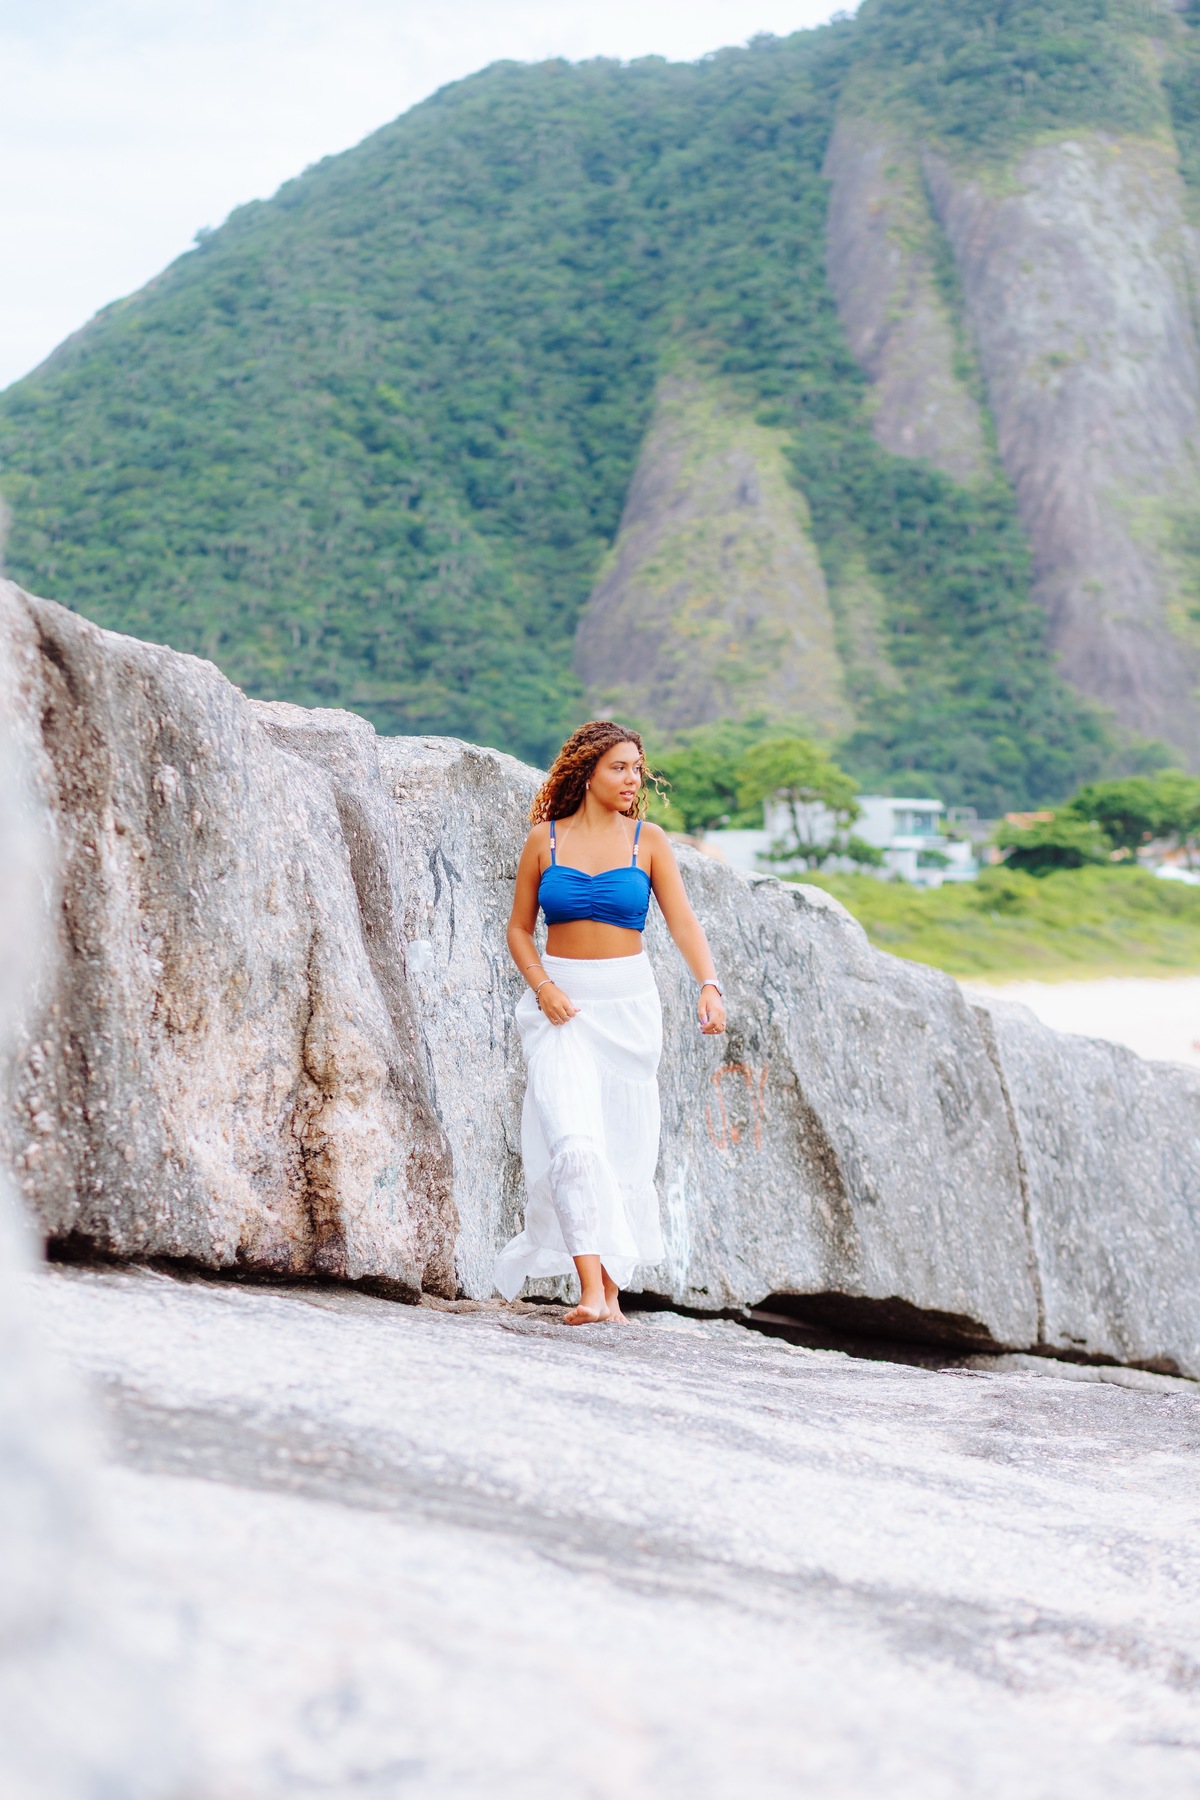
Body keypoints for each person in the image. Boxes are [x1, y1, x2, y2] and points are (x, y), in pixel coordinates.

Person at [494, 720, 726, 1325]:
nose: (632, 779)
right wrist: (543, 987)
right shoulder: (544, 841)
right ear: (587, 772)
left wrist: (709, 983)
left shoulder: (648, 841)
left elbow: (683, 922)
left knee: (623, 1151)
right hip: (560, 1007)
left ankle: (612, 1295)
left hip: (629, 1007)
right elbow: (519, 929)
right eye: (619, 767)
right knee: (573, 1143)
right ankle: (590, 1292)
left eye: (637, 768)